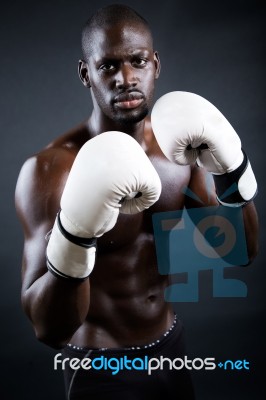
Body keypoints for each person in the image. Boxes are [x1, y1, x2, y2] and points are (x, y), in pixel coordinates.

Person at [15, 4, 259, 400]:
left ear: (155, 65)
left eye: (137, 61)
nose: (126, 78)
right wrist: (76, 236)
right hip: (99, 365)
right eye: (108, 66)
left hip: (171, 350)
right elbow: (47, 329)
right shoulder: (52, 170)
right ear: (85, 74)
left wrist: (233, 173)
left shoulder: (181, 151)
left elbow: (238, 251)